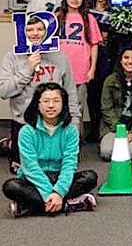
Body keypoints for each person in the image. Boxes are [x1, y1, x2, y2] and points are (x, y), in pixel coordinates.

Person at [2, 83, 98, 218]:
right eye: (46, 101)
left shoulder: (70, 131)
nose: (51, 105)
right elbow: (30, 167)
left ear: (63, 104)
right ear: (37, 104)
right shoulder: (26, 132)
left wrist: (58, 192)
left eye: (56, 101)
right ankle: (68, 204)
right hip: (34, 180)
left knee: (90, 177)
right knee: (11, 186)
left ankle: (30, 206)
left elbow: (69, 164)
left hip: (60, 176)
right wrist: (50, 194)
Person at [0, 16, 80, 174]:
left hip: (55, 125)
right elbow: (4, 91)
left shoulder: (60, 57)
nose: (35, 33)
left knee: (59, 171)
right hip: (24, 124)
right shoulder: (12, 57)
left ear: (48, 31)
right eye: (30, 29)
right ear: (22, 31)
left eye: (40, 29)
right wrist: (28, 68)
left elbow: (70, 92)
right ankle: (9, 144)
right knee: (22, 175)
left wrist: (75, 124)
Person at [56, 0, 103, 140]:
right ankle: (58, 139)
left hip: (80, 70)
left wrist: (92, 69)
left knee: (77, 107)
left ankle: (75, 140)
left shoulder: (88, 18)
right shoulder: (57, 17)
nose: (75, 0)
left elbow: (94, 44)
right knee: (57, 105)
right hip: (58, 69)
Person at [87, 0, 114, 142]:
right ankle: (94, 126)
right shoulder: (85, 10)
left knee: (106, 93)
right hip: (88, 56)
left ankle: (106, 128)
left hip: (108, 57)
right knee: (92, 94)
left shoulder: (115, 13)